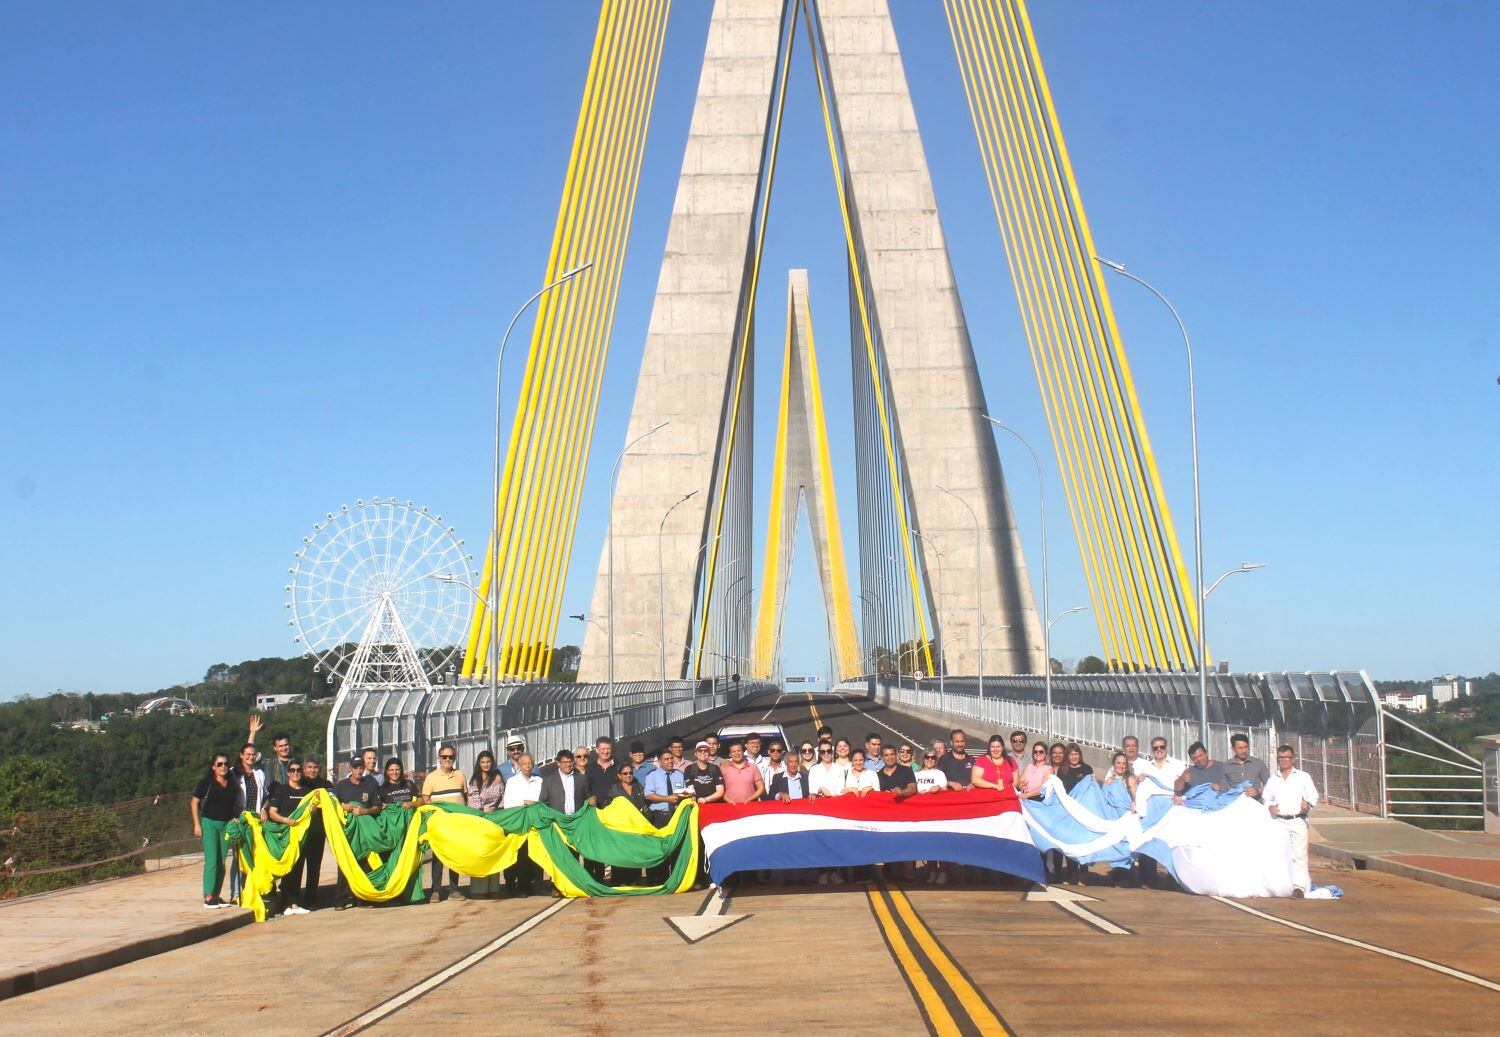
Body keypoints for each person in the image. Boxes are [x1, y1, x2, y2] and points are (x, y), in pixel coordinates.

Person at [1263, 744, 1320, 897]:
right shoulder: (1273, 779)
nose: (1284, 760)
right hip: (1278, 821)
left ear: (1293, 759)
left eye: (1287, 757)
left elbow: (1313, 796)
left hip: (1297, 820)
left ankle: (1299, 887)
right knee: (1279, 853)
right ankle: (1280, 885)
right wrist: (1270, 807)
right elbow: (1266, 798)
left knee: (1299, 855)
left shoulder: (1303, 777)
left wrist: (1307, 804)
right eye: (1281, 758)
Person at [265, 759, 316, 916]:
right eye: (292, 770)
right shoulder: (281, 790)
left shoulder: (306, 791)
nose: (296, 773)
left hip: (300, 837)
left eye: (298, 770)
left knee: (298, 868)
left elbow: (309, 811)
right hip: (283, 836)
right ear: (288, 773)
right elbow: (272, 812)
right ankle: (285, 903)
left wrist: (312, 811)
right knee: (286, 868)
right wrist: (287, 821)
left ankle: (294, 903)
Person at [332, 755, 382, 909]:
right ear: (350, 769)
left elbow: (377, 806)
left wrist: (364, 811)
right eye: (356, 767)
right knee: (345, 863)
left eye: (361, 767)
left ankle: (361, 898)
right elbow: (331, 805)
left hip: (364, 831)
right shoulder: (341, 786)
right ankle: (340, 899)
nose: (359, 770)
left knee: (363, 863)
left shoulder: (370, 784)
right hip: (348, 831)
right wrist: (342, 807)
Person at [421, 744, 468, 902]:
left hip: (457, 824)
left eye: (451, 757)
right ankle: (436, 890)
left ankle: (454, 890)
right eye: (445, 757)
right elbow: (426, 800)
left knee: (454, 856)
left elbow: (465, 797)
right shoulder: (431, 778)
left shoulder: (460, 775)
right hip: (439, 825)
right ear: (439, 759)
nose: (448, 760)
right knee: (438, 858)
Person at [191, 753, 237, 908]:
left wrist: (234, 817)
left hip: (225, 824)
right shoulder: (207, 782)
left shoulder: (231, 782)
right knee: (212, 860)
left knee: (222, 861)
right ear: (213, 767)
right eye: (219, 764)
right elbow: (194, 802)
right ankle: (208, 895)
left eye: (225, 763)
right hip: (210, 823)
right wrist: (197, 824)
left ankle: (216, 895)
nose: (223, 766)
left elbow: (231, 805)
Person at [229, 741, 270, 904]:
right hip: (240, 819)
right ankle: (236, 893)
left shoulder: (259, 773)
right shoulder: (234, 773)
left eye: (253, 754)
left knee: (255, 855)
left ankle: (252, 889)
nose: (251, 757)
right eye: (248, 754)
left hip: (257, 820)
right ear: (241, 755)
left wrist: (264, 809)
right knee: (239, 857)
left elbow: (266, 796)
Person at [502, 753, 544, 898]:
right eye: (524, 763)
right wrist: (524, 803)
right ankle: (520, 886)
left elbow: (543, 801)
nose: (527, 766)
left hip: (535, 824)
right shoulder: (512, 782)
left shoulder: (539, 781)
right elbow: (508, 804)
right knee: (520, 857)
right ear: (519, 765)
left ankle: (533, 885)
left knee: (534, 855)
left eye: (530, 763)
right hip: (519, 823)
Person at [467, 751, 505, 898]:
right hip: (480, 820)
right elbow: (473, 803)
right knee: (481, 854)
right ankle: (479, 889)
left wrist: (495, 810)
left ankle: (493, 888)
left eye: (488, 762)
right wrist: (484, 811)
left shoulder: (498, 776)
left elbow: (502, 798)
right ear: (479, 763)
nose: (485, 765)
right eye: (482, 762)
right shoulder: (475, 780)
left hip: (496, 819)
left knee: (494, 853)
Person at [297, 755, 331, 909]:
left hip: (318, 832)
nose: (312, 770)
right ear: (304, 769)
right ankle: (294, 899)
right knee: (296, 866)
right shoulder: (299, 784)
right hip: (299, 832)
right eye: (309, 767)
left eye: (315, 767)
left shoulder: (326, 785)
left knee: (314, 867)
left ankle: (311, 898)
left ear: (320, 769)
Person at [247, 715, 295, 789]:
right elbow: (249, 756)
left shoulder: (297, 764)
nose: (284, 748)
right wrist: (253, 733)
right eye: (280, 746)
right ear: (275, 748)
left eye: (286, 745)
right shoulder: (267, 764)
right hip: (271, 799)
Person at [1222, 734, 1270, 799]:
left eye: (1246, 747)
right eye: (1240, 748)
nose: (1244, 751)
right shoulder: (1226, 766)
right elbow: (1223, 790)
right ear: (1233, 749)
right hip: (1235, 805)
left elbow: (1269, 784)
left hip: (1255, 804)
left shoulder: (1258, 763)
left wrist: (1258, 791)